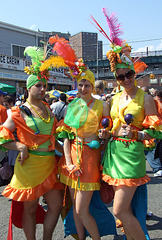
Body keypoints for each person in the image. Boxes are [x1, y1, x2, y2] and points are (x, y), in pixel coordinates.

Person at [93, 8, 162, 240]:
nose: (126, 79)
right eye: (120, 76)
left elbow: (156, 131)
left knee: (119, 210)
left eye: (129, 74)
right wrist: (105, 133)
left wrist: (137, 134)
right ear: (116, 78)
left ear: (135, 72)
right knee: (127, 211)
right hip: (113, 154)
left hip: (132, 156)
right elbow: (111, 126)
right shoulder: (114, 99)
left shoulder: (146, 98)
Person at [0, 45, 63, 240]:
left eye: (44, 86)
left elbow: (53, 139)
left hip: (49, 166)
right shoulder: (18, 111)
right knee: (30, 209)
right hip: (28, 168)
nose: (42, 89)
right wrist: (20, 146)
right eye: (37, 86)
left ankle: (46, 238)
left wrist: (67, 155)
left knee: (56, 206)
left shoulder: (48, 109)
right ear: (28, 88)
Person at [48, 35, 113, 240]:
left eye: (87, 85)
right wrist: (68, 162)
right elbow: (66, 135)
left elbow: (108, 131)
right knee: (75, 209)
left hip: (91, 158)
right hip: (73, 158)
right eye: (81, 84)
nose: (83, 88)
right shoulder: (73, 105)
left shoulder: (103, 105)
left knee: (82, 209)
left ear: (93, 87)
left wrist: (104, 135)